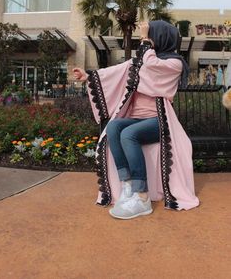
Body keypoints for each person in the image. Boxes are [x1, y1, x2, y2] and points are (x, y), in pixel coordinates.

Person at [73, 20, 199, 220]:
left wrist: (143, 39)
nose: (147, 37)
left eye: (151, 34)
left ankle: (142, 197)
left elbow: (151, 65)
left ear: (159, 38)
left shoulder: (173, 64)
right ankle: (128, 184)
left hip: (159, 121)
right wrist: (87, 76)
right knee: (114, 128)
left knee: (129, 134)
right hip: (137, 119)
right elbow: (115, 71)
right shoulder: (141, 61)